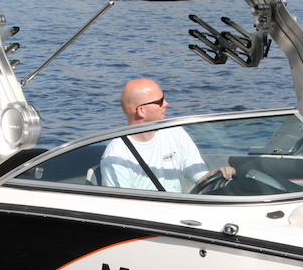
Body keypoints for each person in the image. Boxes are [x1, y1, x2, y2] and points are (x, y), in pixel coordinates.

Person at [100, 79, 234, 192]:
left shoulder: (175, 132)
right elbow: (121, 205)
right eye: (159, 101)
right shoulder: (116, 154)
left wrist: (217, 174)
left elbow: (201, 178)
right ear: (141, 111)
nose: (166, 104)